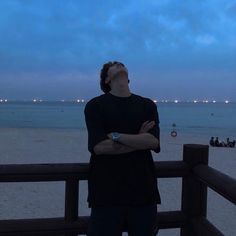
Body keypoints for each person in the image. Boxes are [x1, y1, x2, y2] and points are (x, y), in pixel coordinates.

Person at [84, 61, 161, 236]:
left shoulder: (147, 105)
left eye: (121, 65)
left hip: (143, 192)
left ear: (129, 78)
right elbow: (100, 147)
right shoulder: (95, 106)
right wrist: (138, 141)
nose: (119, 65)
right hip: (105, 194)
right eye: (113, 66)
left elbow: (153, 142)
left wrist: (117, 136)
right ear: (106, 80)